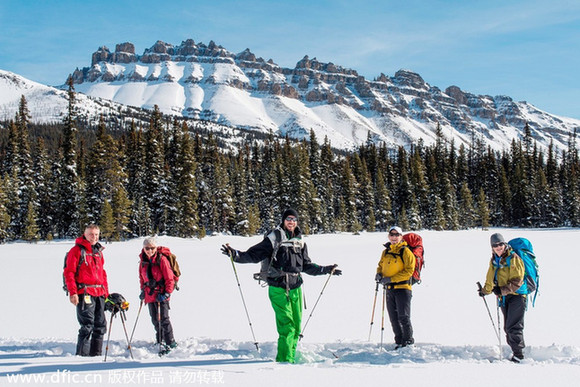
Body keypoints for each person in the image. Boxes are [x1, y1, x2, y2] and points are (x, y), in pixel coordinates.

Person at [221, 208, 342, 363]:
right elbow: (254, 254)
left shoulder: (300, 241)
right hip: (278, 288)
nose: (291, 222)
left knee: (296, 328)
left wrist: (326, 269)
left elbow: (306, 265)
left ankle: (290, 357)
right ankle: (284, 362)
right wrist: (236, 255)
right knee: (287, 326)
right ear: (283, 221)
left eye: (294, 219)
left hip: (296, 288)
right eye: (288, 219)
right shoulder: (274, 237)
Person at [478, 233, 526, 362]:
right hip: (504, 297)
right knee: (508, 327)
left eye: (500, 244)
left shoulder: (513, 258)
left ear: (504, 244)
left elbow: (518, 280)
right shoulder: (494, 260)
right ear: (492, 247)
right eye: (495, 245)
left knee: (513, 326)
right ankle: (516, 351)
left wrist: (502, 290)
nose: (498, 247)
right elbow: (490, 278)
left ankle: (519, 354)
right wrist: (485, 291)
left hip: (517, 296)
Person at [63, 224, 108, 356]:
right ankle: (82, 356)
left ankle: (96, 355)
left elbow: (102, 274)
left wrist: (106, 293)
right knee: (87, 325)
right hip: (85, 292)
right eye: (91, 234)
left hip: (99, 292)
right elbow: (69, 273)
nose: (94, 237)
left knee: (100, 325)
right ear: (85, 234)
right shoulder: (77, 251)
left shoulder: (98, 251)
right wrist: (73, 292)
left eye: (96, 235)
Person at [375, 226, 416, 349]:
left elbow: (409, 271)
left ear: (401, 236)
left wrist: (391, 279)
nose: (394, 237)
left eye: (396, 235)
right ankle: (398, 341)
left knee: (403, 317)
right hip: (389, 289)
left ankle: (408, 341)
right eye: (391, 235)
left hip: (403, 288)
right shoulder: (386, 252)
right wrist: (379, 274)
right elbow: (380, 265)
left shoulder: (406, 251)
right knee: (393, 317)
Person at [138, 237, 177, 353]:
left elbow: (170, 279)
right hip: (150, 294)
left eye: (152, 248)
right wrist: (142, 291)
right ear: (144, 248)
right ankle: (160, 340)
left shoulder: (162, 260)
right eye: (147, 248)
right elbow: (141, 278)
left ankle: (170, 342)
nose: (150, 250)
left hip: (161, 293)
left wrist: (167, 293)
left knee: (164, 319)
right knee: (155, 319)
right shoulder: (143, 262)